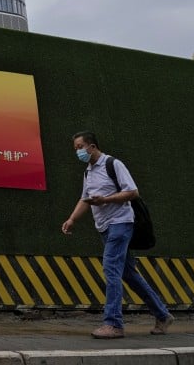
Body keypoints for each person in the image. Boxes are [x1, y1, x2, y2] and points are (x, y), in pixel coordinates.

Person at [61, 131, 173, 339]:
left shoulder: (113, 164)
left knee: (111, 267)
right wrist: (72, 219)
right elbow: (84, 198)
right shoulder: (88, 172)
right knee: (128, 274)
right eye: (75, 149)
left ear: (92, 147)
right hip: (104, 227)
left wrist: (105, 200)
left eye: (80, 147)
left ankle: (113, 323)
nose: (77, 152)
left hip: (121, 223)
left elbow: (132, 192)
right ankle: (162, 314)